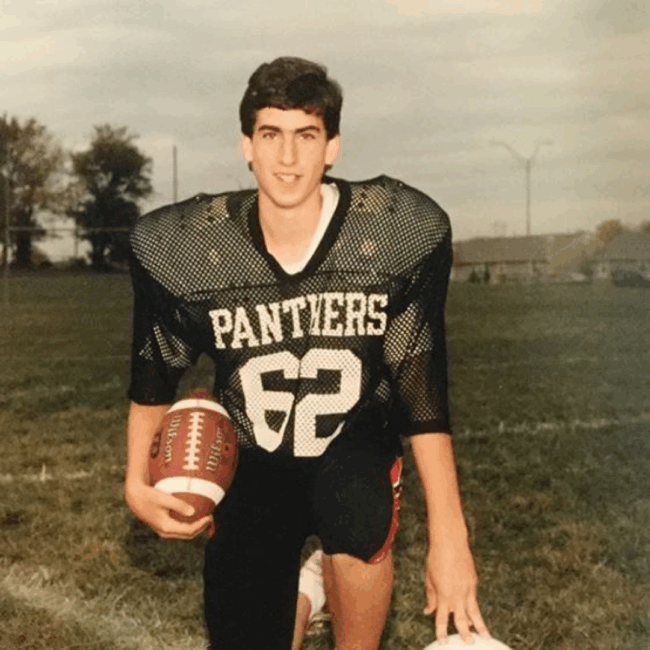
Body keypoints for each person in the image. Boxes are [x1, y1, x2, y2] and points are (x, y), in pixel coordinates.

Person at [124, 56, 489, 650]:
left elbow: (422, 396)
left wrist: (452, 537)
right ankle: (304, 595)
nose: (287, 158)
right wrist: (135, 479)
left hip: (352, 451)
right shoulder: (191, 247)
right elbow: (153, 369)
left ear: (333, 146)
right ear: (246, 145)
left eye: (306, 135)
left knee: (354, 501)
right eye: (270, 135)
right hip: (252, 462)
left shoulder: (394, 234)